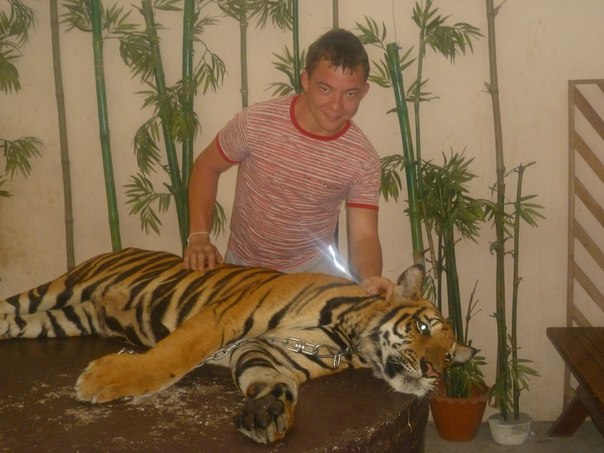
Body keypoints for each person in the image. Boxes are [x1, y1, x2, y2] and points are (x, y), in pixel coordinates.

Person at [184, 28, 394, 297]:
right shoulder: (256, 122)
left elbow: (364, 236)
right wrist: (199, 236)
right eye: (325, 89)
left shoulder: (362, 158)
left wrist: (370, 277)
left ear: (364, 91)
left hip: (313, 273)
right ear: (306, 80)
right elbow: (206, 166)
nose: (336, 105)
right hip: (243, 265)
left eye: (350, 94)